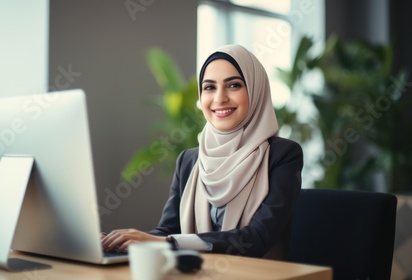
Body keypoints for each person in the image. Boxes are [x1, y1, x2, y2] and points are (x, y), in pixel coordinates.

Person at [101, 44, 303, 260]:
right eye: (209, 87)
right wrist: (123, 243)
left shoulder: (282, 155)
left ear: (255, 90)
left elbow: (256, 238)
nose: (219, 98)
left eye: (233, 85)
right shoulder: (189, 160)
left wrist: (167, 242)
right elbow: (167, 231)